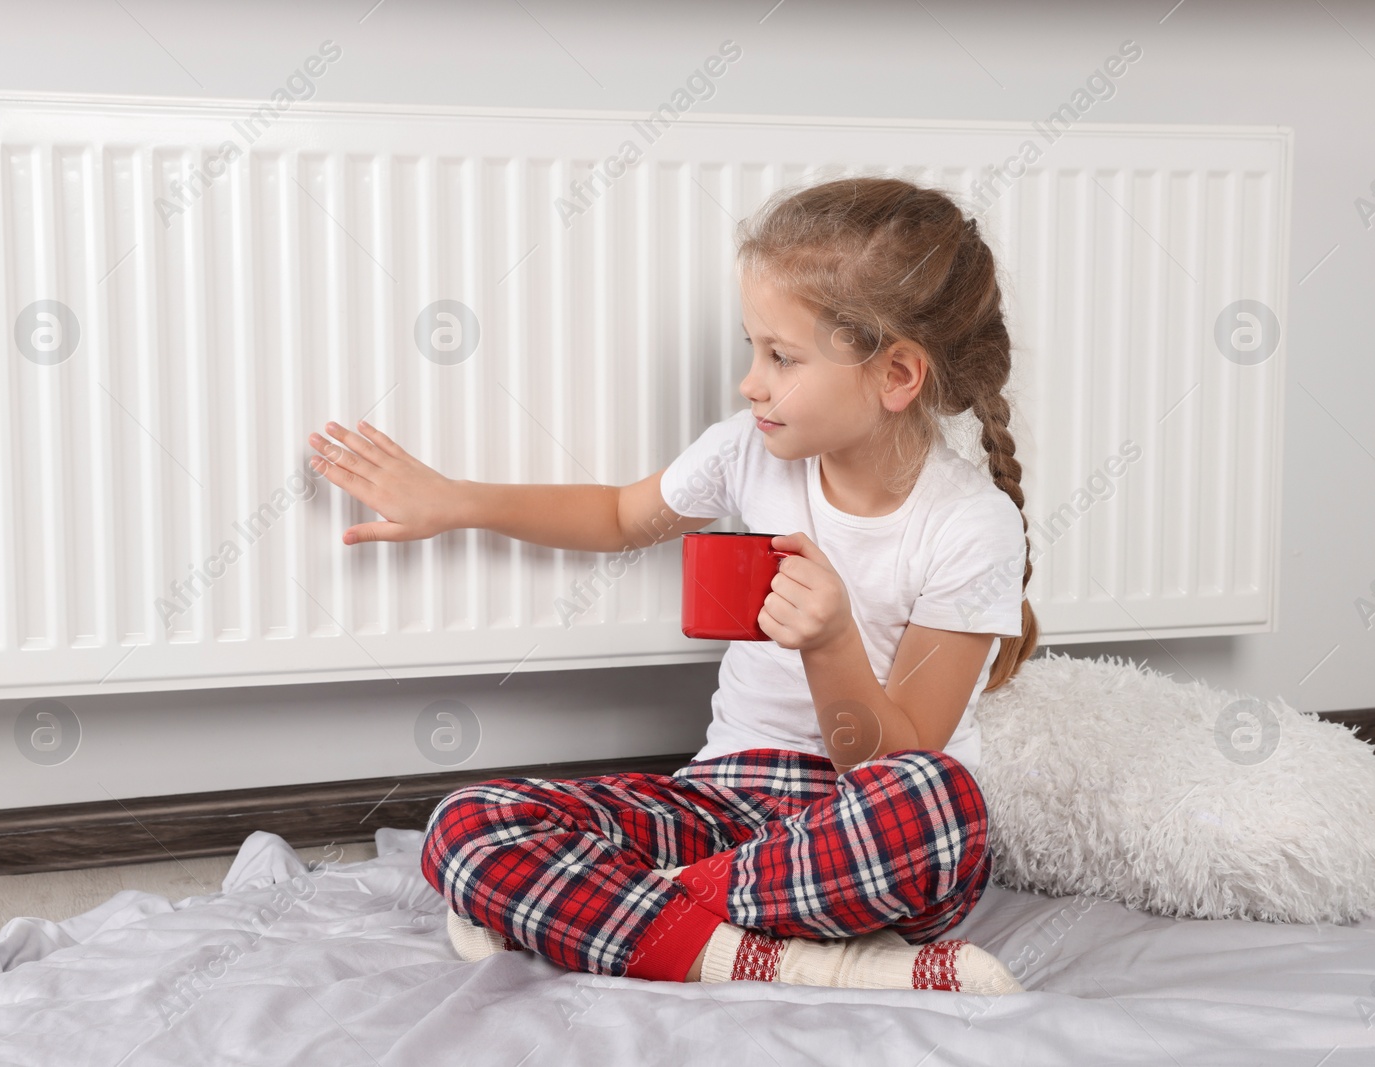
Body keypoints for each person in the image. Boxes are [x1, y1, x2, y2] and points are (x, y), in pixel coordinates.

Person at [307, 176, 1039, 995]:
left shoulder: (971, 525)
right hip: (727, 803)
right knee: (467, 824)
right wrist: (459, 501)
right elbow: (621, 515)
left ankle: (598, 916)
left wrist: (831, 644)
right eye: (753, 348)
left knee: (941, 805)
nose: (749, 381)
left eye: (781, 356)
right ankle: (781, 959)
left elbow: (893, 761)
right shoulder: (746, 451)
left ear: (896, 374)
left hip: (866, 831)